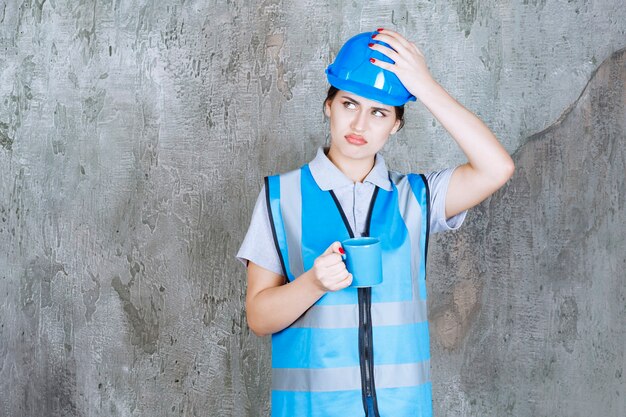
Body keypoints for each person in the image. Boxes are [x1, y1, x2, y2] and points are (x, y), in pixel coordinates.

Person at [236, 28, 514, 417]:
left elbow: (497, 167)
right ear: (328, 105)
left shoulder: (417, 198)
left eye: (379, 112)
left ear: (396, 124)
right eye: (350, 104)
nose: (360, 124)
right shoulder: (280, 197)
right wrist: (313, 283)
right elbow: (259, 317)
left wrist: (426, 86)